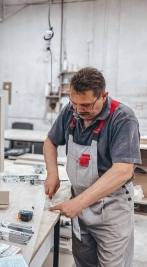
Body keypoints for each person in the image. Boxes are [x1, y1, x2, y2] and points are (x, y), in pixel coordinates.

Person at [43, 67, 141, 267]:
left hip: (112, 208)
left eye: (86, 104)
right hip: (80, 205)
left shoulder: (122, 118)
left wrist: (78, 203)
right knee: (83, 262)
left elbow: (123, 170)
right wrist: (52, 173)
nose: (79, 110)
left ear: (103, 96)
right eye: (74, 102)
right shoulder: (71, 111)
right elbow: (50, 141)